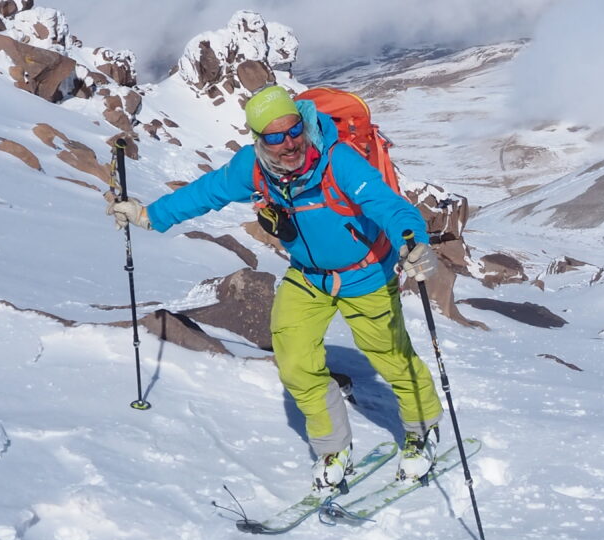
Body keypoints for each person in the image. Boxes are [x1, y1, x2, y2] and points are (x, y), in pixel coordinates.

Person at [106, 85, 443, 491]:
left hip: (365, 274)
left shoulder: (339, 162)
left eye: (294, 130)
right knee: (296, 359)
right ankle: (333, 447)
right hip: (308, 276)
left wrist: (413, 242)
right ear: (258, 139)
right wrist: (149, 216)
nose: (288, 143)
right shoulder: (252, 167)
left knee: (391, 357)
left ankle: (421, 430)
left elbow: (388, 206)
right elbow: (206, 192)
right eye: (275, 136)